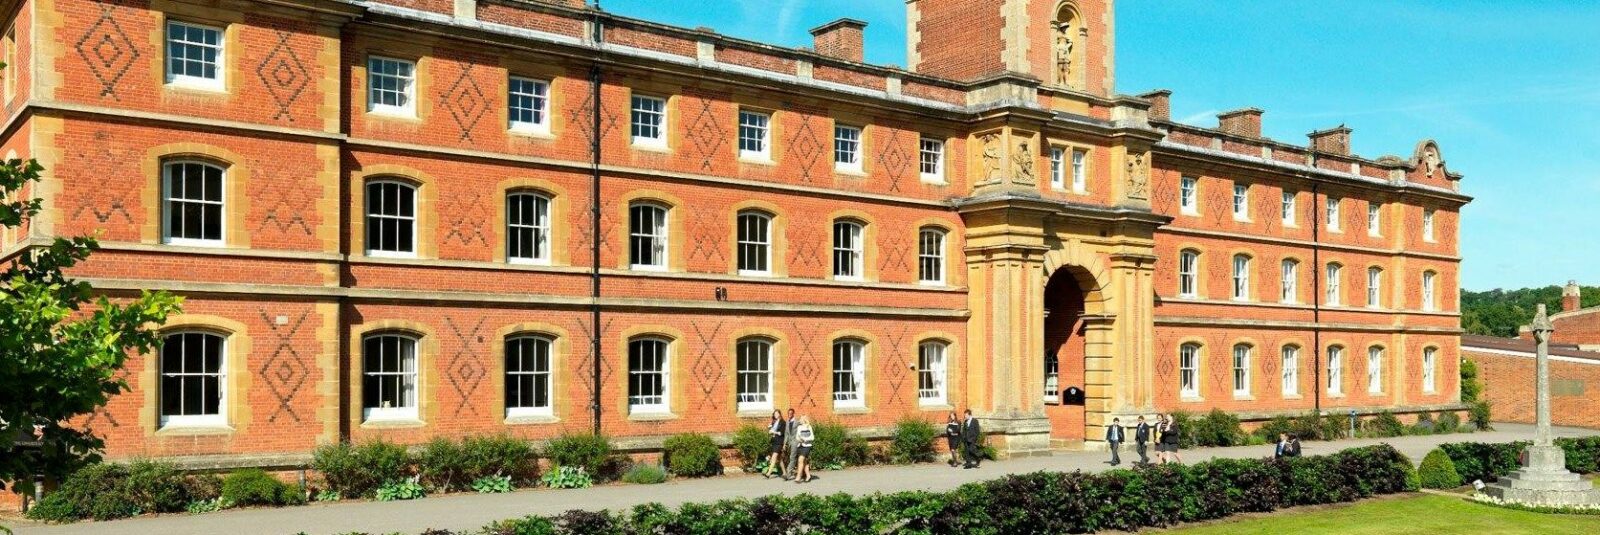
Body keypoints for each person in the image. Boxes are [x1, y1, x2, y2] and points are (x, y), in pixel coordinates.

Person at [762, 409, 786, 478]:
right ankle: (784, 473)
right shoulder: (774, 422)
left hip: (779, 442)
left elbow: (781, 433)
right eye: (774, 414)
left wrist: (773, 432)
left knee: (774, 457)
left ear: (780, 414)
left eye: (777, 414)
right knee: (780, 459)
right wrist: (769, 429)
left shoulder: (783, 422)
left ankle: (768, 473)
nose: (775, 415)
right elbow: (771, 431)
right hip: (774, 442)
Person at [794, 415, 816, 483]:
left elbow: (812, 437)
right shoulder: (799, 427)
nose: (799, 420)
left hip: (807, 446)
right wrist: (799, 439)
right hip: (800, 446)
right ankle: (808, 476)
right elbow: (797, 437)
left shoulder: (809, 427)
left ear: (804, 419)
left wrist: (805, 439)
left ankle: (798, 476)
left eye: (801, 419)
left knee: (800, 460)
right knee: (804, 462)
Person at [783, 408, 800, 479]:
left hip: (795, 442)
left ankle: (788, 474)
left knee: (792, 457)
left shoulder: (797, 421)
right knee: (793, 458)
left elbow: (804, 426)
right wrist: (784, 444)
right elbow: (786, 434)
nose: (789, 415)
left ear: (793, 414)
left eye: (791, 413)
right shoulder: (787, 422)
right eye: (788, 413)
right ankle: (798, 472)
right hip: (789, 443)